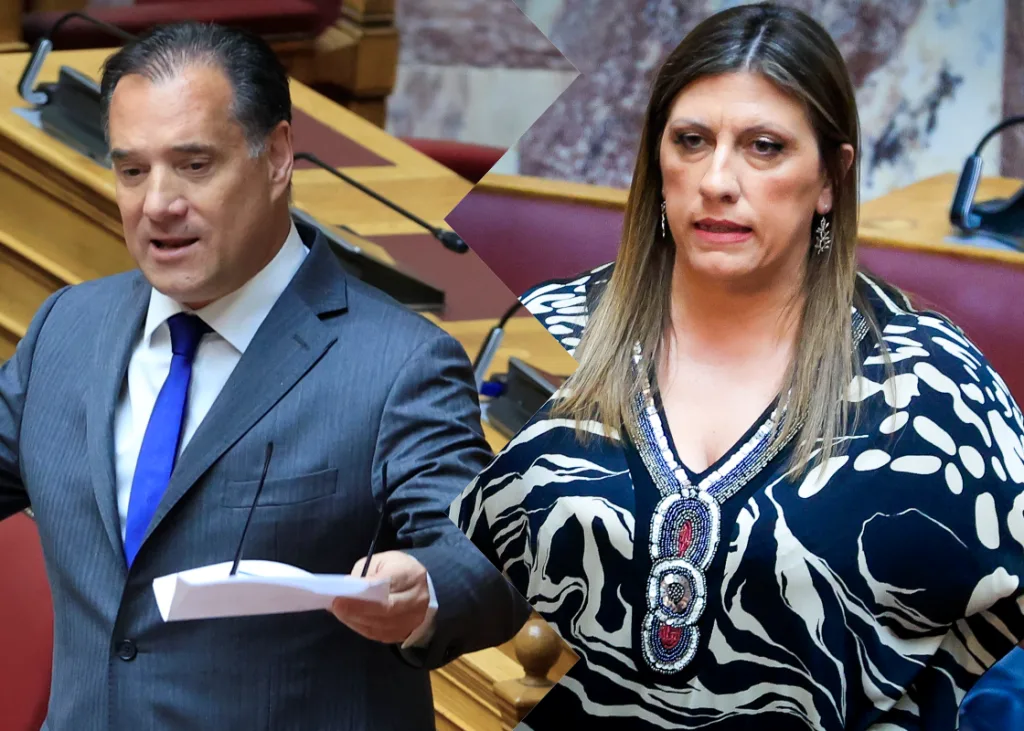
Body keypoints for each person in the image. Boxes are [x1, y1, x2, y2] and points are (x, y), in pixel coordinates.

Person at [450, 4, 1024, 729]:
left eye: (764, 147)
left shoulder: (927, 384)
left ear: (830, 178)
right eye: (691, 141)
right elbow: (484, 556)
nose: (717, 179)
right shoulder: (559, 329)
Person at [0, 21, 529, 730]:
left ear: (277, 156)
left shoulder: (396, 363)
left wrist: (425, 588)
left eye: (194, 165)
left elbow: (490, 556)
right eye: (132, 171)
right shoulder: (67, 327)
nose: (157, 204)